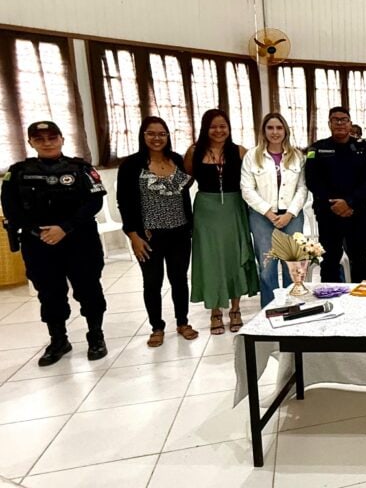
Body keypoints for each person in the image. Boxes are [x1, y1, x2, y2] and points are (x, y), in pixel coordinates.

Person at [1, 121, 108, 366]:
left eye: (52, 138)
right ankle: (58, 339)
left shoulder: (81, 168)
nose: (47, 143)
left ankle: (96, 336)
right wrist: (37, 232)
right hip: (38, 243)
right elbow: (11, 208)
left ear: (62, 139)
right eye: (40, 139)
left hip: (79, 240)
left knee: (89, 289)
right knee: (49, 293)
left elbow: (94, 203)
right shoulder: (17, 173)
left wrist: (65, 228)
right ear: (31, 143)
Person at [117, 117, 198, 347]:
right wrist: (133, 236)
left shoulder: (176, 160)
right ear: (143, 135)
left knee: (179, 279)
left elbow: (184, 185)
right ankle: (157, 327)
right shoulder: (131, 165)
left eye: (161, 133)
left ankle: (182, 322)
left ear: (168, 136)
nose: (156, 138)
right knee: (152, 282)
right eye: (151, 133)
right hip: (148, 236)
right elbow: (123, 202)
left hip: (180, 232)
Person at [185, 110, 259, 334]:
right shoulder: (194, 151)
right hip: (206, 211)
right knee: (211, 259)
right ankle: (215, 310)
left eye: (223, 126)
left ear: (229, 128)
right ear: (205, 129)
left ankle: (235, 309)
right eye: (213, 127)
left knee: (234, 256)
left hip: (234, 208)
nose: (218, 131)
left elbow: (251, 181)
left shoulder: (240, 151)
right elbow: (184, 180)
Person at [241, 113, 308, 307]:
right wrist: (268, 213)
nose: (275, 132)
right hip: (262, 218)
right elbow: (247, 189)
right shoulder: (252, 156)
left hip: (291, 216)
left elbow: (302, 188)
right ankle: (269, 310)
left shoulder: (297, 156)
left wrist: (289, 214)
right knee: (267, 267)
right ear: (263, 131)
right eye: (270, 128)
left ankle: (292, 306)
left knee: (293, 265)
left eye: (279, 128)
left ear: (285, 130)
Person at [305, 107, 366, 284]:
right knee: (329, 261)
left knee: (360, 259)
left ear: (350, 123)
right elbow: (313, 181)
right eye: (335, 120)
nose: (339, 123)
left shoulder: (362, 147)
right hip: (328, 214)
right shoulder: (317, 148)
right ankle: (331, 300)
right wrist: (335, 205)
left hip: (356, 212)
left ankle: (362, 302)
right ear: (329, 123)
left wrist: (349, 202)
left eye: (343, 119)